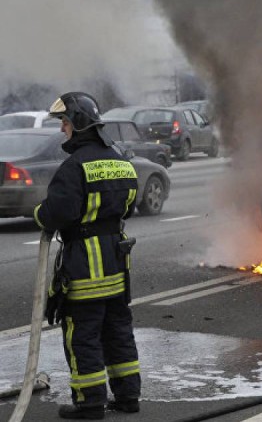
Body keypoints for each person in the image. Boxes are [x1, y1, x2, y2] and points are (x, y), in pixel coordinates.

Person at [33, 92, 141, 419]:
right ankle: (127, 397)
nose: (63, 129)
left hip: (85, 268)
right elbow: (129, 206)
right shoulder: (121, 160)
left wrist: (39, 213)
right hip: (117, 264)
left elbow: (57, 213)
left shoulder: (74, 166)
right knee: (118, 332)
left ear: (78, 124)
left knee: (83, 337)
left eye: (65, 122)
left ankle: (90, 403)